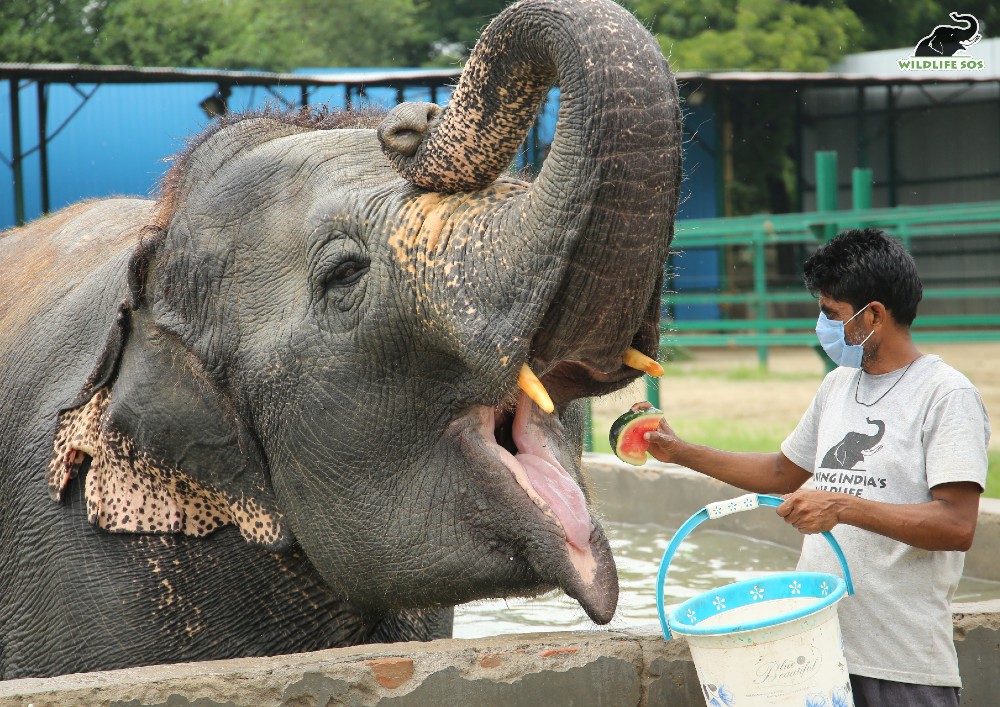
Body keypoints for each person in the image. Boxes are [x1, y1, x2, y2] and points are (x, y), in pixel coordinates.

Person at [638, 228, 991, 706]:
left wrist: (842, 507)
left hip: (902, 665)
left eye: (832, 314)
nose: (823, 326)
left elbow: (956, 524)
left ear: (874, 316)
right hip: (819, 654)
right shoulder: (837, 388)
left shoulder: (945, 395)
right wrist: (681, 451)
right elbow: (783, 473)